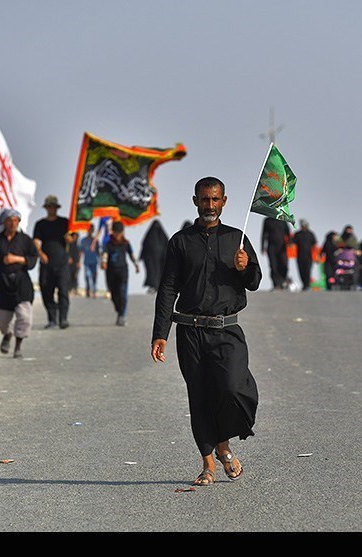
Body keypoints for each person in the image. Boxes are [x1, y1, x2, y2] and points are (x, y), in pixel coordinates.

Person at [151, 176, 262, 487]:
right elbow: (168, 288)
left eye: (215, 199)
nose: (209, 205)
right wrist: (160, 332)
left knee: (232, 389)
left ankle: (224, 444)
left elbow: (254, 281)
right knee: (199, 397)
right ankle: (209, 463)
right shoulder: (180, 241)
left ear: (224, 201)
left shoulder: (236, 238)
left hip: (227, 331)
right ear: (195, 200)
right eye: (204, 199)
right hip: (190, 332)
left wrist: (245, 267)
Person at [0, 209, 38, 359]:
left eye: (15, 220)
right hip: (2, 284)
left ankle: (18, 346)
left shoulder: (25, 240)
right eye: (9, 220)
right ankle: (8, 334)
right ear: (4, 222)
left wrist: (17, 259)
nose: (12, 223)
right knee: (2, 321)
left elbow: (33, 258)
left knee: (25, 317)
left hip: (21, 282)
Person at [33, 195, 73, 329]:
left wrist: (70, 238)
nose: (51, 209)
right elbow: (36, 242)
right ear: (46, 208)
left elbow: (74, 236)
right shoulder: (40, 224)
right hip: (46, 264)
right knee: (46, 290)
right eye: (49, 206)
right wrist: (40, 254)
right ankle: (52, 318)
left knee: (63, 291)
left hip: (62, 263)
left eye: (53, 206)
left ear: (57, 208)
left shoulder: (65, 222)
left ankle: (63, 319)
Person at [102, 220, 140, 326]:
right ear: (112, 232)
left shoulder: (126, 243)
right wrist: (104, 263)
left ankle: (122, 315)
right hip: (111, 272)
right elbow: (105, 254)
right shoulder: (109, 244)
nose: (118, 235)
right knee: (114, 295)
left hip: (123, 270)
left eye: (120, 232)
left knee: (122, 293)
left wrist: (136, 265)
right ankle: (119, 311)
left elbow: (131, 254)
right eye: (116, 232)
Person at [139, 219, 169, 294]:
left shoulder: (150, 236)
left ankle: (156, 287)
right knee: (152, 273)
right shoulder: (160, 236)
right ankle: (153, 286)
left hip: (159, 260)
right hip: (152, 260)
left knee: (157, 272)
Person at [261, 216, 290, 290]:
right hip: (271, 247)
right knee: (273, 266)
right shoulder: (267, 220)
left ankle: (283, 281)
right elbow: (264, 234)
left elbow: (288, 232)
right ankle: (276, 284)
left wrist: (290, 243)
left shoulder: (283, 219)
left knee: (284, 265)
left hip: (282, 247)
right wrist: (262, 246)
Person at [291, 219, 317, 291]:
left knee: (307, 270)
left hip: (309, 256)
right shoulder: (297, 234)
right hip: (300, 256)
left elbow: (314, 244)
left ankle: (307, 285)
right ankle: (304, 284)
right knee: (301, 271)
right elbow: (292, 243)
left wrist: (316, 256)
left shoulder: (310, 234)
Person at [79, 223, 101, 298]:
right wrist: (78, 261)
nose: (90, 231)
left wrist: (101, 261)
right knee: (87, 276)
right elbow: (81, 251)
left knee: (94, 277)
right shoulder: (83, 241)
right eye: (88, 230)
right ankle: (87, 289)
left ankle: (94, 291)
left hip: (94, 262)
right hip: (86, 262)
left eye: (91, 230)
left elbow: (98, 252)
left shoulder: (96, 241)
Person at [68, 231, 81, 296]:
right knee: (69, 276)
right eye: (74, 236)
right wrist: (68, 257)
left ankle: (75, 289)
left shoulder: (77, 245)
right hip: (69, 263)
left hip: (76, 262)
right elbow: (67, 252)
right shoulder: (68, 244)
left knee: (75, 276)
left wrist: (79, 262)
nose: (75, 237)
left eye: (76, 236)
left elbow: (79, 254)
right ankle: (69, 289)